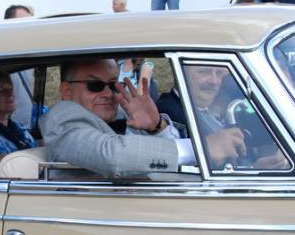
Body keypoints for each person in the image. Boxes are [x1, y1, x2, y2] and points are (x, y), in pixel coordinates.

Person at [41, 59, 194, 179]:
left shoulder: (125, 116)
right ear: (67, 91)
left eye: (113, 85)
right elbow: (111, 156)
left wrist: (156, 126)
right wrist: (196, 149)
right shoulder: (62, 118)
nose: (108, 94)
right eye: (95, 85)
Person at [4, 4, 36, 128]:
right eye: (23, 23)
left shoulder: (32, 55)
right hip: (7, 128)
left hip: (26, 128)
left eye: (30, 23)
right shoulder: (0, 57)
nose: (28, 27)